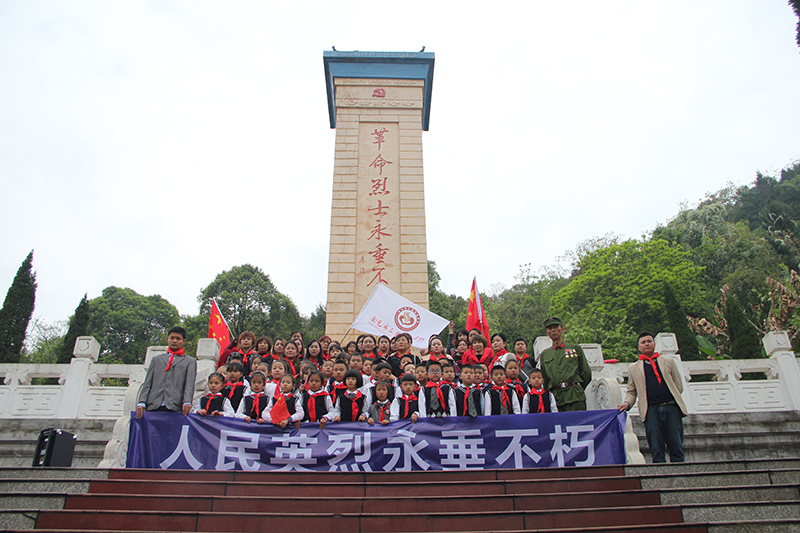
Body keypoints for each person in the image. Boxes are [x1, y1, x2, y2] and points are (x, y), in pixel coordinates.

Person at [618, 333, 687, 463]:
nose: (647, 344)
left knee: (676, 444)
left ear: (654, 344)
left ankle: (681, 474)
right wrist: (627, 404)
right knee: (656, 447)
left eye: (649, 341)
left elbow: (678, 386)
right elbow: (632, 391)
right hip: (650, 411)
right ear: (639, 347)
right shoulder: (634, 368)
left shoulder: (668, 362)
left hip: (671, 407)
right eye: (643, 342)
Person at [136, 326, 197, 418]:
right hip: (154, 404)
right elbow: (148, 382)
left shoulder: (190, 361)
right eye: (172, 338)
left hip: (175, 406)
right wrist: (142, 402)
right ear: (168, 339)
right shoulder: (156, 359)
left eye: (178, 338)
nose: (174, 341)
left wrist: (187, 402)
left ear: (183, 341)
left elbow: (189, 384)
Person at [538, 317, 592, 412]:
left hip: (575, 396)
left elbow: (586, 372)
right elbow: (545, 379)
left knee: (578, 424)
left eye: (556, 327)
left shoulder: (575, 348)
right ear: (547, 333)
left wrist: (577, 386)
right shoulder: (545, 354)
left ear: (562, 329)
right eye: (550, 328)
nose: (553, 330)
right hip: (556, 398)